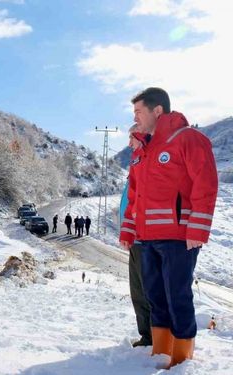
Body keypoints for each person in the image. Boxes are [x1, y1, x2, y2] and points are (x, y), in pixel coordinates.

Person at [119, 87, 218, 368]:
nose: (135, 117)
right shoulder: (141, 151)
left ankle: (182, 358)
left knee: (177, 297)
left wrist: (197, 230)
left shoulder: (188, 139)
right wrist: (128, 231)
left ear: (157, 110)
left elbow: (206, 184)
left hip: (178, 238)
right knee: (155, 297)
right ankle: (161, 353)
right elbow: (135, 198)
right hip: (147, 239)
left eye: (138, 111)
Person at [120, 124, 152, 348]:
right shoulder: (136, 164)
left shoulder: (148, 164)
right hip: (134, 239)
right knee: (137, 292)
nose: (129, 143)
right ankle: (147, 336)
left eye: (131, 137)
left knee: (147, 292)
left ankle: (154, 338)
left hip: (145, 239)